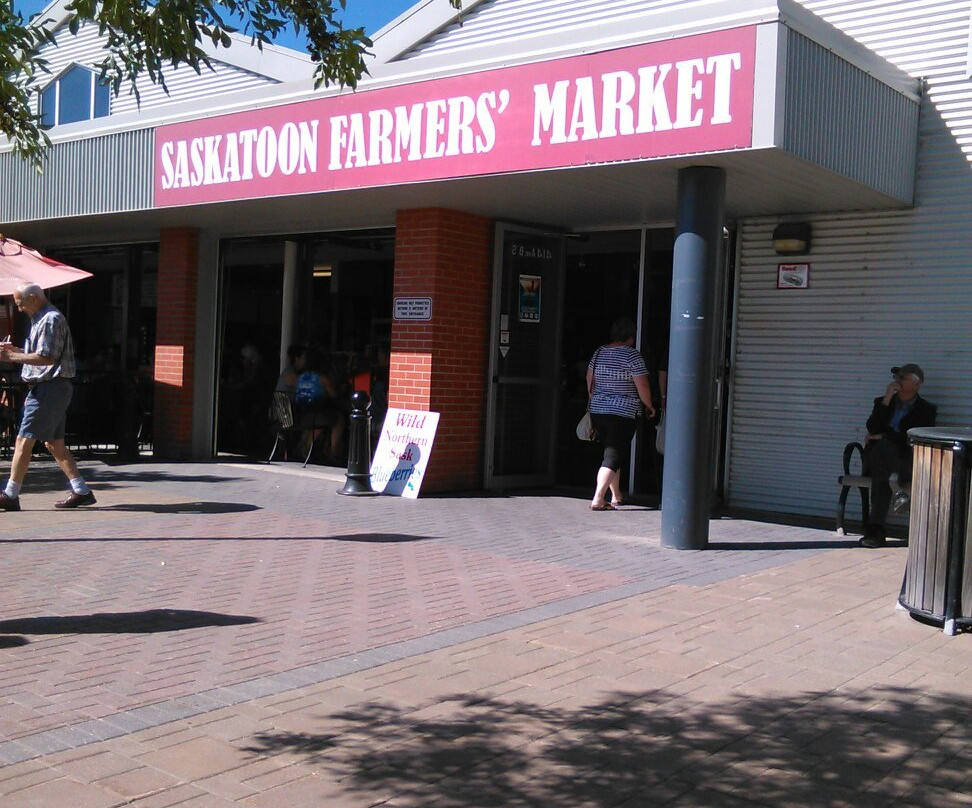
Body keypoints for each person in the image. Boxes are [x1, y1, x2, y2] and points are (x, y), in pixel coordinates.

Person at [0, 283, 96, 510]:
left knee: (24, 439)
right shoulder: (41, 319)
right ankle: (82, 491)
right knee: (54, 443)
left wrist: (12, 357)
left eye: (20, 303)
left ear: (33, 298)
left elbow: (47, 358)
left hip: (49, 387)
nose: (20, 308)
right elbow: (42, 354)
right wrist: (15, 351)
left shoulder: (50, 319)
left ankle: (10, 494)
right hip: (51, 387)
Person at [860, 363, 936, 548]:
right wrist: (887, 399)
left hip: (906, 460)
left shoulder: (926, 409)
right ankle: (898, 490)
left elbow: (913, 436)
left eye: (903, 378)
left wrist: (884, 436)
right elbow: (872, 428)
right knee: (883, 452)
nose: (897, 381)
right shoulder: (882, 402)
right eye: (897, 377)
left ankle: (875, 531)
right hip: (881, 458)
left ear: (917, 384)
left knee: (881, 472)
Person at [586, 316, 655, 510]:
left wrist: (596, 399)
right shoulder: (632, 356)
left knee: (611, 451)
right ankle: (598, 498)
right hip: (622, 412)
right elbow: (642, 385)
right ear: (631, 337)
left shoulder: (599, 352)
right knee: (613, 455)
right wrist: (649, 405)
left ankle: (616, 495)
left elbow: (589, 379)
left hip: (598, 410)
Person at [293, 347, 346, 463]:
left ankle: (306, 450)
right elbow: (334, 396)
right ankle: (334, 452)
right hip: (316, 416)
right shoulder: (322, 379)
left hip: (301, 415)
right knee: (339, 419)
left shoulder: (300, 377)